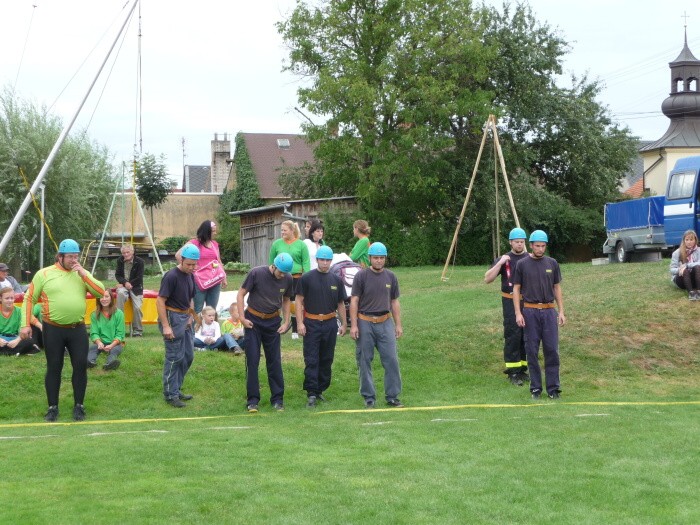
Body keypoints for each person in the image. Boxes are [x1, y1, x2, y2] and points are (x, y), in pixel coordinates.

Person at [19, 239, 106, 422]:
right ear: (60, 256)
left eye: (76, 257)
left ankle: (79, 406)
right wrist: (25, 324)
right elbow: (29, 299)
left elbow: (100, 292)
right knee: (54, 366)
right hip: (53, 329)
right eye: (70, 257)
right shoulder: (44, 274)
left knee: (80, 366)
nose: (74, 260)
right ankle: (53, 407)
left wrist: (83, 273)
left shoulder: (81, 274)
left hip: (77, 329)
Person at [512, 230, 566, 400]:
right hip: (529, 311)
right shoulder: (522, 264)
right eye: (537, 246)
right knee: (532, 351)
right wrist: (518, 313)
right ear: (531, 245)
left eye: (543, 246)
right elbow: (516, 289)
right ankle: (535, 388)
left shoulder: (552, 263)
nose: (540, 249)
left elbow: (557, 287)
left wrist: (561, 311)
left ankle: (553, 388)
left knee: (551, 350)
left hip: (549, 311)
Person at [349, 242, 404, 408]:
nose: (379, 261)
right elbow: (354, 301)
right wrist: (354, 325)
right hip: (365, 322)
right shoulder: (361, 276)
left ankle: (392, 396)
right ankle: (369, 397)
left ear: (385, 258)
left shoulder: (391, 277)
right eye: (375, 258)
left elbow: (394, 302)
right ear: (370, 258)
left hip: (385, 322)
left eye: (381, 258)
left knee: (392, 360)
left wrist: (398, 325)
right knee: (365, 360)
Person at [237, 253, 294, 413]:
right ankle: (252, 401)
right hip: (253, 321)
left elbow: (287, 299)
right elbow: (241, 294)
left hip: (273, 323)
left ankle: (277, 399)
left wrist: (286, 321)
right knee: (253, 360)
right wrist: (242, 318)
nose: (282, 275)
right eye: (280, 272)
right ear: (274, 266)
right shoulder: (256, 273)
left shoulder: (288, 278)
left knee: (274, 361)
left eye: (285, 273)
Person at [296, 245, 347, 407]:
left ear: (331, 261)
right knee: (312, 359)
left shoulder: (336, 280)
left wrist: (344, 323)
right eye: (322, 259)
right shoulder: (307, 278)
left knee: (326, 358)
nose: (325, 263)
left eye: (327, 260)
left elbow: (340, 303)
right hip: (311, 323)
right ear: (317, 260)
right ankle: (311, 392)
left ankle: (320, 390)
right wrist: (299, 323)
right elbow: (298, 300)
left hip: (330, 323)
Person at [484, 227, 530, 386]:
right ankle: (512, 372)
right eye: (517, 242)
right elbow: (487, 279)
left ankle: (523, 369)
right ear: (510, 242)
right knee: (513, 334)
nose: (519, 245)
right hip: (510, 300)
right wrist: (501, 263)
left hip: (528, 301)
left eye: (522, 242)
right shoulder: (504, 259)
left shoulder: (529, 258)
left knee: (527, 335)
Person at [157, 243, 199, 408]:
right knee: (174, 358)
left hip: (185, 317)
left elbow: (191, 297)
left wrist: (190, 314)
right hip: (172, 317)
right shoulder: (171, 276)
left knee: (188, 356)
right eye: (188, 264)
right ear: (181, 260)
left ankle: (176, 388)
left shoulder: (191, 275)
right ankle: (170, 394)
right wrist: (166, 326)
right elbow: (160, 300)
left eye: (194, 264)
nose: (191, 267)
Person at [268, 220, 310, 339]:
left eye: (284, 230)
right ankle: (278, 324)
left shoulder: (301, 245)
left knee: (296, 303)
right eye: (281, 230)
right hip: (280, 278)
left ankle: (296, 329)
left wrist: (305, 279)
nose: (282, 232)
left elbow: (306, 263)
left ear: (292, 230)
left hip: (297, 278)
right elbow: (271, 261)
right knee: (280, 301)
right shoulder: (276, 244)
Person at [187, 220, 227, 314]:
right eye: (213, 231)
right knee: (198, 309)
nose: (215, 233)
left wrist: (224, 277)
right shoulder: (194, 243)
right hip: (199, 282)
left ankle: (211, 329)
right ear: (206, 231)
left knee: (212, 309)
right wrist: (191, 267)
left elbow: (218, 261)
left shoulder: (214, 244)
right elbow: (179, 255)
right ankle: (196, 328)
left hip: (214, 280)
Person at [87, 290, 125, 371]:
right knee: (92, 349)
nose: (104, 299)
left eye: (106, 296)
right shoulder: (94, 314)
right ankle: (90, 362)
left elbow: (120, 334)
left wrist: (111, 345)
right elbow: (94, 333)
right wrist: (99, 342)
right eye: (101, 297)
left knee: (114, 350)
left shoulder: (119, 313)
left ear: (111, 298)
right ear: (98, 299)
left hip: (115, 343)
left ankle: (110, 363)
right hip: (100, 342)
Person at [115, 243, 145, 336]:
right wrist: (124, 283)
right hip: (124, 286)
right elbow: (118, 275)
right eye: (124, 253)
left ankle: (138, 331)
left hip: (136, 287)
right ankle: (119, 329)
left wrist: (129, 284)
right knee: (120, 294)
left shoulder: (140, 262)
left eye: (127, 252)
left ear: (132, 252)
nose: (126, 254)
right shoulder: (120, 260)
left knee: (137, 308)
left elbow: (139, 277)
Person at [0, 287, 40, 356]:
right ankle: (18, 351)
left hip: (15, 338)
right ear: (0, 299)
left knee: (29, 341)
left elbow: (23, 329)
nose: (10, 300)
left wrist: (17, 340)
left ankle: (7, 352)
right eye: (7, 298)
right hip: (1, 339)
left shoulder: (19, 311)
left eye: (12, 298)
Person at [670, 229, 700, 300]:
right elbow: (672, 270)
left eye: (691, 239)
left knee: (697, 267)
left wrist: (686, 265)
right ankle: (691, 293)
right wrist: (680, 270)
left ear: (695, 240)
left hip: (695, 278)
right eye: (687, 240)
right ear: (684, 241)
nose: (689, 242)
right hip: (681, 280)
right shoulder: (677, 252)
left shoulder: (699, 250)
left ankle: (699, 291)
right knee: (685, 271)